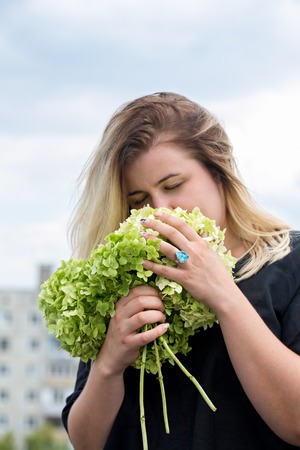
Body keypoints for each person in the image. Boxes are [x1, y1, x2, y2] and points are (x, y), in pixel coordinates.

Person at [61, 92, 300, 449]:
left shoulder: (289, 263)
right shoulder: (124, 277)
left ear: (219, 172)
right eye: (138, 201)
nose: (160, 211)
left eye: (173, 186)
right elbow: (84, 442)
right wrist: (108, 365)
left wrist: (222, 293)